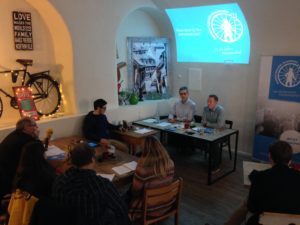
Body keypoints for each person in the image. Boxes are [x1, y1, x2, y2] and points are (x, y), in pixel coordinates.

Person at [52, 143, 130, 225]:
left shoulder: (59, 181)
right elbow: (120, 209)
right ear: (92, 160)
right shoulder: (101, 184)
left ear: (72, 161)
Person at [225, 141, 300, 225]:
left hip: (262, 222)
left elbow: (252, 207)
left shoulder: (260, 177)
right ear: (290, 161)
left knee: (246, 204)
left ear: (269, 157)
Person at [128, 135, 175, 222]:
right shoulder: (170, 163)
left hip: (149, 209)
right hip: (167, 204)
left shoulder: (142, 170)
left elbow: (135, 193)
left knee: (124, 197)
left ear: (144, 150)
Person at [0, 117, 40, 202]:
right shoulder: (26, 140)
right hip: (10, 175)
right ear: (26, 127)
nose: (37, 127)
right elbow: (38, 152)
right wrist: (36, 137)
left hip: (4, 170)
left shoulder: (16, 134)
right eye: (34, 125)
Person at [202, 94, 225, 172]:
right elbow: (202, 122)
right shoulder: (205, 109)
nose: (208, 103)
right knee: (199, 140)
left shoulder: (220, 110)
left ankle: (216, 165)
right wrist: (209, 125)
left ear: (216, 102)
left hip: (220, 133)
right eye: (207, 101)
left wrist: (208, 124)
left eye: (210, 102)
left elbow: (220, 125)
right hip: (208, 131)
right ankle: (212, 158)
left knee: (214, 143)